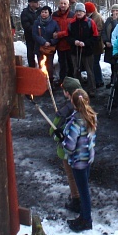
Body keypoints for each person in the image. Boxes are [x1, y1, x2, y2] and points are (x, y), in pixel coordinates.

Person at [56, 88, 97, 232]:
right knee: (84, 188)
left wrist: (62, 139)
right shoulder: (90, 116)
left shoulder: (75, 123)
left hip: (79, 161)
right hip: (88, 158)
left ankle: (86, 219)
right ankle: (84, 216)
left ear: (73, 102)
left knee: (83, 190)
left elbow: (70, 147)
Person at [51, 77, 83, 214]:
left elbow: (53, 130)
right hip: (83, 150)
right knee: (80, 175)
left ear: (67, 93)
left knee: (72, 176)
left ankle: (76, 199)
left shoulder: (66, 112)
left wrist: (56, 131)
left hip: (68, 150)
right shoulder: (84, 106)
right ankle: (80, 197)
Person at [67, 3, 100, 97]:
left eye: (81, 11)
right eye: (77, 11)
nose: (78, 13)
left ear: (84, 12)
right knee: (76, 70)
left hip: (87, 51)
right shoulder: (71, 23)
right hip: (75, 50)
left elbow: (95, 37)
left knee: (89, 71)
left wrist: (85, 43)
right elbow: (67, 36)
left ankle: (92, 89)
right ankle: (78, 89)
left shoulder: (90, 22)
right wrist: (74, 42)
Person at [32, 5, 59, 87]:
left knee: (49, 67)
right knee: (41, 66)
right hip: (39, 48)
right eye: (42, 12)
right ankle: (42, 83)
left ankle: (50, 83)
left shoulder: (54, 23)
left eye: (45, 12)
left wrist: (51, 42)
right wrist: (43, 42)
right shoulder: (36, 23)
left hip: (50, 49)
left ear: (49, 13)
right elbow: (35, 34)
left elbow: (58, 35)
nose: (43, 14)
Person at [52, 0, 75, 86]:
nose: (63, 5)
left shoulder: (72, 15)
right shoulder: (54, 15)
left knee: (71, 63)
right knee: (62, 62)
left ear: (68, 5)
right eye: (61, 3)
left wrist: (60, 34)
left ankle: (72, 80)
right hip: (59, 43)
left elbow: (72, 30)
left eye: (65, 3)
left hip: (69, 43)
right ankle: (62, 80)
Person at [85, 2, 105, 89]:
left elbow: (99, 31)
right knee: (92, 63)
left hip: (96, 45)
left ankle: (99, 80)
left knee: (95, 63)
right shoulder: (89, 17)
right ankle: (95, 80)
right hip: (91, 44)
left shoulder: (98, 18)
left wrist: (93, 39)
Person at [102, 4, 118, 89]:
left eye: (117, 10)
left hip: (117, 46)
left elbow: (116, 30)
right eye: (114, 10)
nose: (115, 12)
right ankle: (112, 80)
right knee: (112, 65)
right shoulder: (108, 20)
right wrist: (106, 41)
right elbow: (104, 31)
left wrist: (114, 20)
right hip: (109, 46)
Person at [21, 0, 41, 68]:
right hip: (30, 38)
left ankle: (42, 72)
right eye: (36, 2)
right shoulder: (25, 13)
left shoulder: (41, 11)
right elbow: (26, 26)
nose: (38, 3)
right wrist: (37, 29)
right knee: (30, 55)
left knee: (41, 56)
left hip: (40, 38)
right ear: (31, 3)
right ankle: (32, 70)